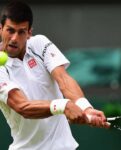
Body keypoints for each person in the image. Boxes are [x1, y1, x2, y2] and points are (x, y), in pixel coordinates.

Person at [0, 1, 109, 150]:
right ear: (1, 29)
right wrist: (62, 105)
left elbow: (63, 79)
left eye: (21, 32)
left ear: (29, 33)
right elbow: (22, 106)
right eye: (10, 30)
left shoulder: (39, 43)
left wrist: (85, 107)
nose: (14, 38)